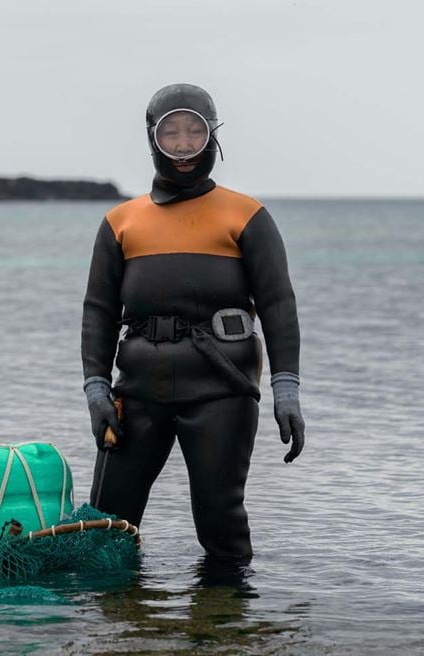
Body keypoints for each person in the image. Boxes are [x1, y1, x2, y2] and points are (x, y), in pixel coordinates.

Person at [81, 83, 303, 558]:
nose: (183, 146)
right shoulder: (121, 221)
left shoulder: (248, 216)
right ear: (152, 138)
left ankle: (223, 624)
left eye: (195, 133)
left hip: (221, 390)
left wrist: (287, 389)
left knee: (220, 521)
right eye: (171, 134)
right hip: (137, 393)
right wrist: (97, 389)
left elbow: (279, 305)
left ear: (212, 137)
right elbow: (98, 311)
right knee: (108, 525)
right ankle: (115, 627)